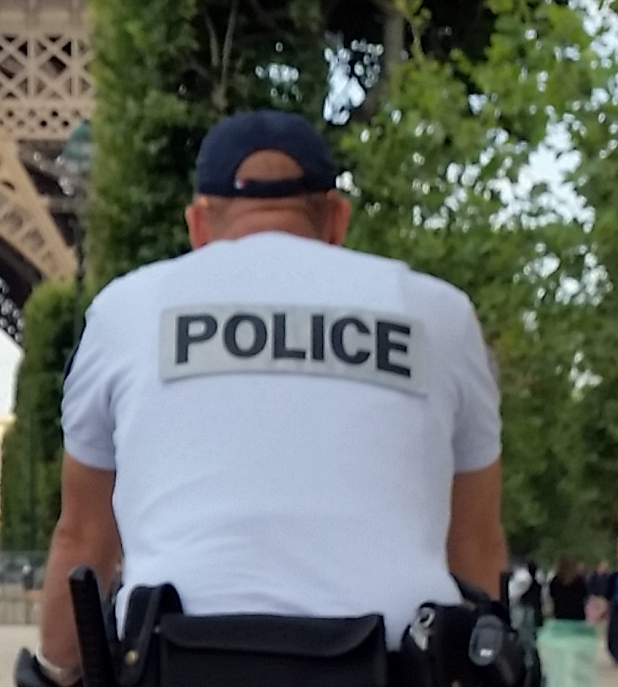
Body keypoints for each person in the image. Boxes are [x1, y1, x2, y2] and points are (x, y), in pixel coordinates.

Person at [30, 110, 507, 686]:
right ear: (336, 219)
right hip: (393, 661)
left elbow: (82, 533)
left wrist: (59, 662)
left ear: (198, 225)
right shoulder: (439, 313)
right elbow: (475, 545)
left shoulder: (126, 309)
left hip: (177, 660)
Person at [548, 557, 589, 624]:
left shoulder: (555, 581)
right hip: (577, 615)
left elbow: (552, 595)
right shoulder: (579, 581)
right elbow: (584, 596)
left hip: (560, 615)